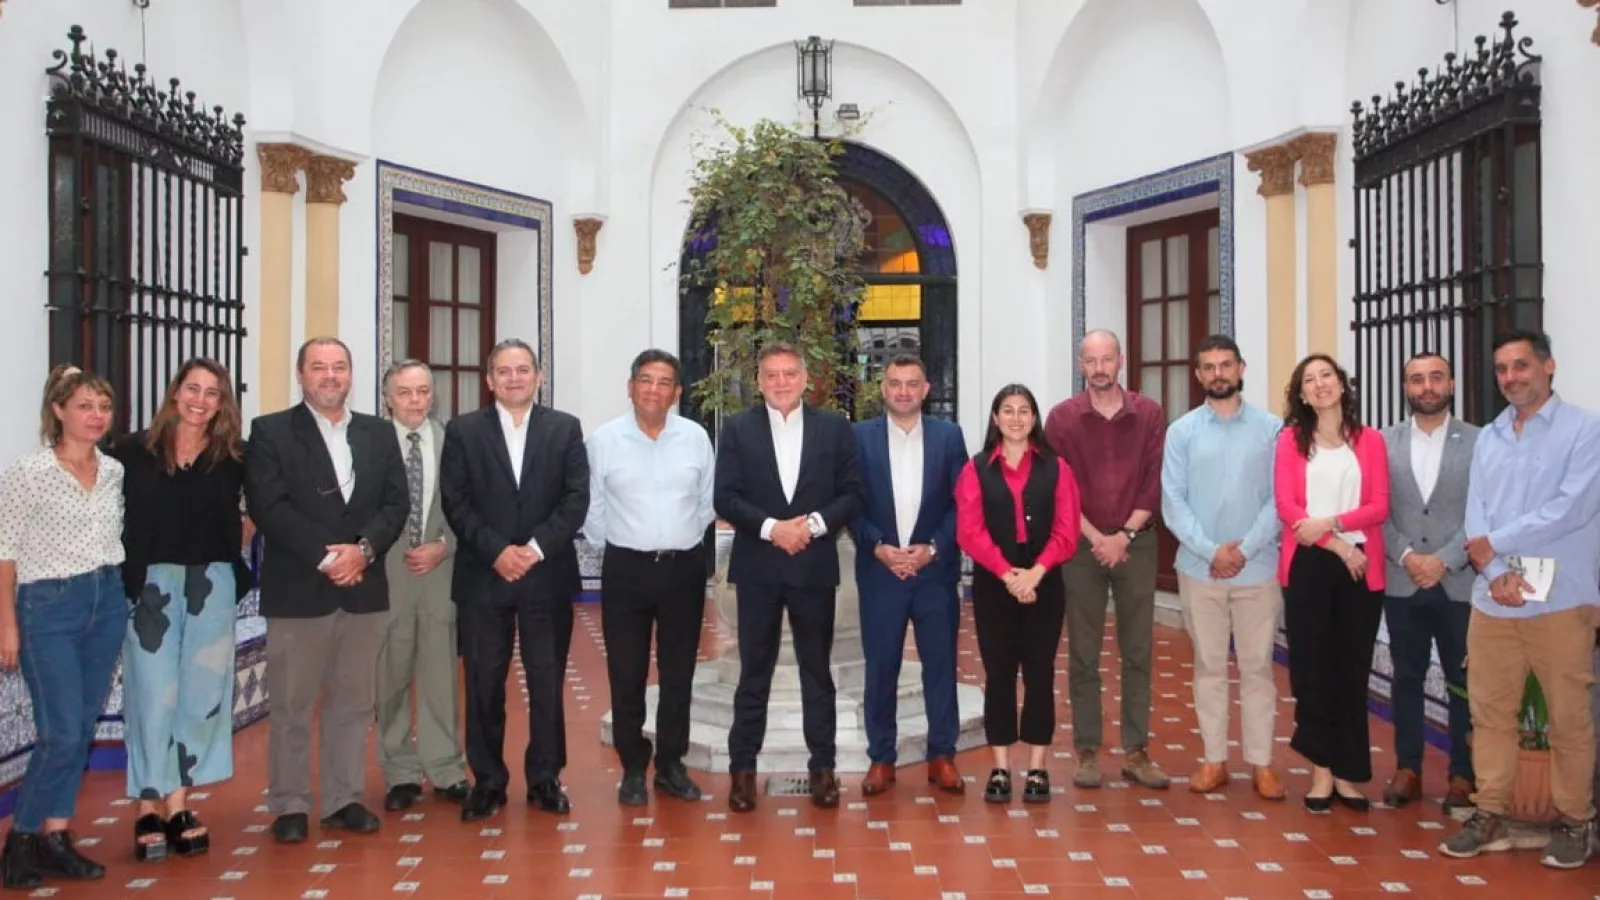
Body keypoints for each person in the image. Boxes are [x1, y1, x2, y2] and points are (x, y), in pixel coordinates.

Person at [1441, 330, 1600, 870]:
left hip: (1562, 601)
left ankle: (1575, 820)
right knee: (1490, 714)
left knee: (1569, 717)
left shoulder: (1585, 430)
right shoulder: (1490, 437)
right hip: (1495, 600)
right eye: (1502, 369)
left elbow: (1571, 509)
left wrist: (1495, 545)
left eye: (1521, 366)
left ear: (1548, 366)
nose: (1511, 377)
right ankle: (1490, 813)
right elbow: (1476, 512)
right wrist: (1493, 568)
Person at [244, 337, 410, 844]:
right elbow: (269, 506)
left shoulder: (378, 433)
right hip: (299, 589)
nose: (330, 376)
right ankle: (290, 803)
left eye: (339, 366)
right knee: (292, 706)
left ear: (351, 375)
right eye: (319, 367)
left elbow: (395, 503)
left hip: (364, 588)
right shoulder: (270, 431)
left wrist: (363, 550)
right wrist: (328, 558)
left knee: (354, 703)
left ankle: (344, 799)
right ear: (301, 374)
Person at [439, 339, 589, 821]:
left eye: (523, 369)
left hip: (546, 574)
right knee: (484, 682)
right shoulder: (463, 431)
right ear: (490, 380)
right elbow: (456, 501)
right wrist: (498, 551)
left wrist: (535, 549)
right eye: (503, 371)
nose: (514, 378)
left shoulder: (565, 428)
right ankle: (488, 781)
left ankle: (545, 778)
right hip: (484, 576)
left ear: (538, 377)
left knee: (546, 681)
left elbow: (575, 498)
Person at [714, 342, 862, 813]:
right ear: (759, 382)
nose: (781, 382)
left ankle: (823, 769)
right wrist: (772, 529)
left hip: (813, 566)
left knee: (816, 673)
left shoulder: (834, 427)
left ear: (805, 378)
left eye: (789, 373)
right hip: (758, 567)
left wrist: (812, 526)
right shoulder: (737, 428)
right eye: (772, 375)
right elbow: (725, 496)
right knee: (753, 675)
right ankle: (742, 772)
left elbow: (852, 493)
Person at [112, 359, 250, 861]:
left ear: (222, 404)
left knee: (201, 695)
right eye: (193, 389)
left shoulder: (234, 457)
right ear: (175, 393)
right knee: (153, 694)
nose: (200, 400)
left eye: (212, 393)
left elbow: (261, 506)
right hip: (151, 585)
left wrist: (242, 535)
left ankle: (178, 804)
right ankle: (147, 805)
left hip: (211, 584)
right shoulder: (131, 452)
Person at [0, 366, 125, 890]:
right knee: (62, 732)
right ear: (58, 411)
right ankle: (21, 840)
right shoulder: (28, 472)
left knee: (82, 728)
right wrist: (7, 624)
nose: (96, 416)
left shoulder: (114, 471)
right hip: (48, 606)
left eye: (104, 407)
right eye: (84, 406)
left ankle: (56, 836)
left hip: (106, 600)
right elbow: (5, 552)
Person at [584, 349, 715, 806]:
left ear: (677, 392)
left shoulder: (695, 438)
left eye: (664, 382)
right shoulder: (604, 440)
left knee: (679, 671)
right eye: (645, 380)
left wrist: (679, 538)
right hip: (626, 569)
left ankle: (672, 764)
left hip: (683, 568)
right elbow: (592, 506)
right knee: (627, 671)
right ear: (630, 387)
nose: (653, 390)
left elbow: (707, 502)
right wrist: (620, 545)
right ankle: (634, 767)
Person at [1159, 335, 1286, 800]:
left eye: (1226, 365)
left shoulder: (1273, 430)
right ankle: (1214, 759)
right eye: (1209, 367)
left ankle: (1262, 764)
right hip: (1200, 570)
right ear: (1198, 375)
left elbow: (1281, 498)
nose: (1218, 374)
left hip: (1258, 569)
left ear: (1241, 368)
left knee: (1258, 669)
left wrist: (1245, 549)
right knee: (1209, 667)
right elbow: (1173, 500)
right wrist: (1212, 551)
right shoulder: (1182, 432)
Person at [1043, 328, 1169, 790]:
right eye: (1091, 361)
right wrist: (1098, 538)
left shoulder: (1150, 414)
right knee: (1083, 652)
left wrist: (1125, 535)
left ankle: (1137, 751)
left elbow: (1155, 481)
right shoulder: (1061, 419)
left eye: (1107, 359)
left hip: (1137, 544)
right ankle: (1087, 750)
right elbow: (1058, 487)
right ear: (1081, 365)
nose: (1099, 369)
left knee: (1137, 651)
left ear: (1121, 360)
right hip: (1082, 546)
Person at [1272, 353, 1390, 812]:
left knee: (1351, 671)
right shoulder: (1290, 441)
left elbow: (1379, 506)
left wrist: (1333, 523)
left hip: (1361, 568)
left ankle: (1348, 773)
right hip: (1310, 564)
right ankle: (1321, 771)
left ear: (1341, 384)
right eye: (1310, 380)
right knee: (1312, 671)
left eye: (1327, 376)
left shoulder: (1370, 440)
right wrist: (1337, 543)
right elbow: (1288, 507)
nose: (1320, 384)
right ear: (1302, 394)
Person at [850, 354, 969, 797]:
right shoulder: (859, 436)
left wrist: (933, 549)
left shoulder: (949, 437)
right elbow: (850, 500)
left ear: (926, 390)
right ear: (882, 388)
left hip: (934, 574)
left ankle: (943, 756)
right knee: (881, 667)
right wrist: (877, 546)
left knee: (940, 666)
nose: (903, 391)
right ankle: (882, 757)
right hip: (880, 572)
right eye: (895, 383)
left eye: (912, 383)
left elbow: (963, 503)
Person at [955, 384, 1080, 804]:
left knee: (1040, 672)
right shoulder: (975, 469)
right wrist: (1009, 576)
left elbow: (1067, 529)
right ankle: (1000, 767)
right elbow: (969, 530)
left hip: (1045, 579)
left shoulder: (1057, 468)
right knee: (999, 674)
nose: (1015, 418)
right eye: (1007, 410)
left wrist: (1036, 573)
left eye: (1023, 410)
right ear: (995, 418)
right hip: (995, 581)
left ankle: (1038, 766)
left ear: (1034, 418)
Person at [1379, 352, 1478, 813]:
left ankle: (1463, 774)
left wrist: (1444, 560)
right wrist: (1406, 556)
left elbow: (1485, 510)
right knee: (1407, 676)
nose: (1427, 387)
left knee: (1463, 681)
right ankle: (1409, 769)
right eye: (1416, 379)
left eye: (1436, 377)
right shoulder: (1384, 442)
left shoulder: (1480, 442)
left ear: (1451, 384)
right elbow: (1376, 509)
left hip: (1458, 580)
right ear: (1406, 388)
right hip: (1403, 580)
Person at [375, 360, 470, 813]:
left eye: (423, 391)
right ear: (388, 399)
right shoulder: (370, 444)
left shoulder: (454, 443)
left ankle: (447, 768)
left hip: (439, 573)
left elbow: (470, 504)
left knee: (440, 676)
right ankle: (400, 772)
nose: (415, 400)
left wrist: (445, 546)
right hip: (386, 574)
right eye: (405, 392)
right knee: (388, 676)